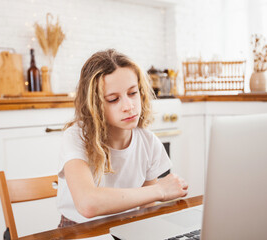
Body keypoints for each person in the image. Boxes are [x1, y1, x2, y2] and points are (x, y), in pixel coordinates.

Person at [57, 49, 188, 227]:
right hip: (79, 230)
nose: (129, 106)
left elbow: (146, 209)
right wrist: (159, 190)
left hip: (128, 226)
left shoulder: (148, 142)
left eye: (133, 93)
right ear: (94, 105)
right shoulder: (76, 137)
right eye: (113, 99)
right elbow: (87, 204)